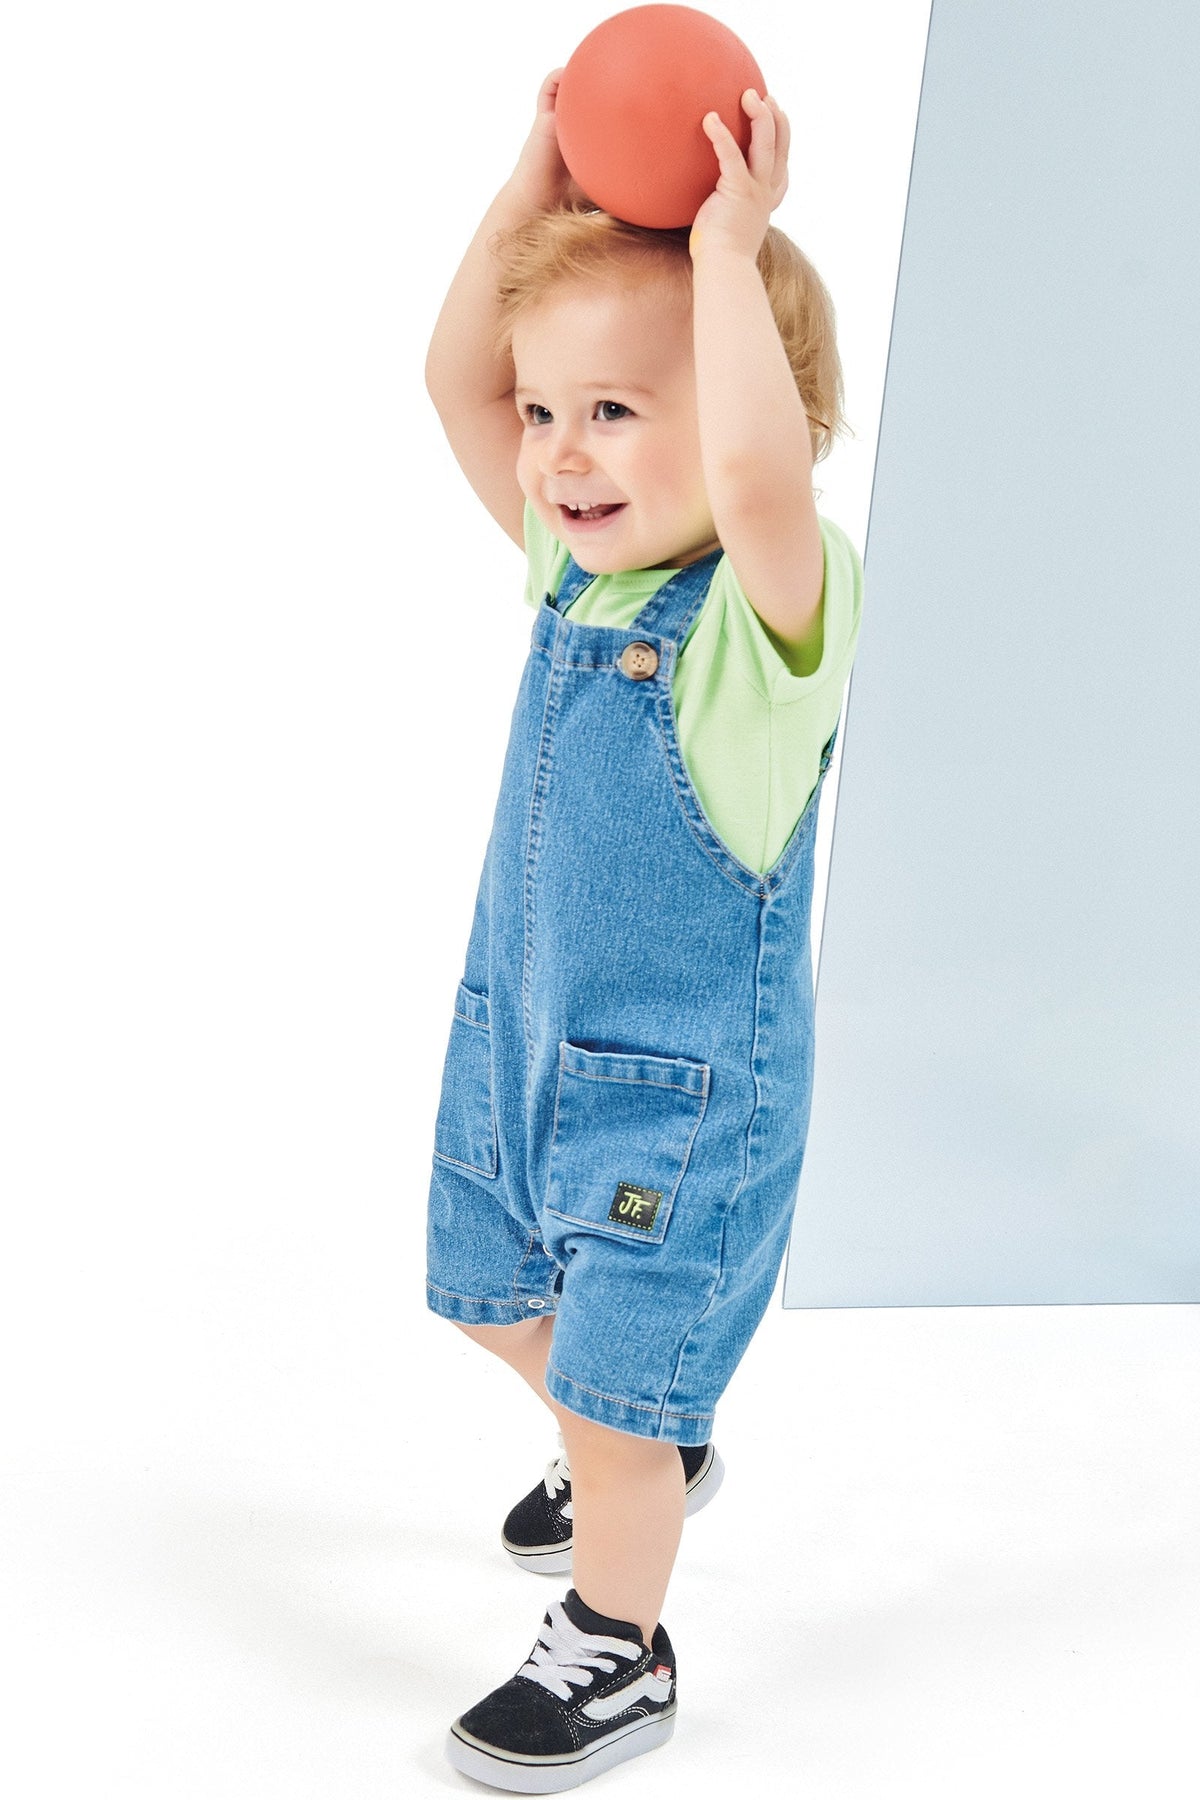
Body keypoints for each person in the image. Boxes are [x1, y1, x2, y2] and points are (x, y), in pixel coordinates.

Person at [423, 68, 863, 1793]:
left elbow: (751, 471)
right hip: (521, 1045)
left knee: (613, 1412)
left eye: (614, 409)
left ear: (767, 414)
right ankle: (647, 1452)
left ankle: (620, 1640)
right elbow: (455, 379)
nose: (558, 451)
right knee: (484, 1294)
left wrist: (731, 254)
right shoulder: (575, 574)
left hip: (681, 1112)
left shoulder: (769, 624)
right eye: (553, 413)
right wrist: (532, 194)